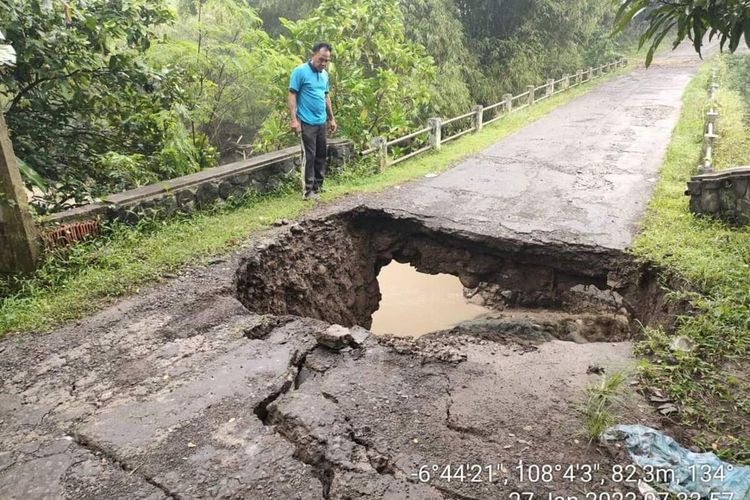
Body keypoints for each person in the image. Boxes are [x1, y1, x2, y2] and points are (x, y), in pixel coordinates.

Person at [288, 42, 338, 200]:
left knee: (321, 154)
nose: (323, 63)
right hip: (306, 121)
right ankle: (307, 191)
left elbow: (325, 96)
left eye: (326, 61)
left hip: (320, 121)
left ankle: (318, 186)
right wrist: (294, 120)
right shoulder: (300, 71)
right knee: (309, 156)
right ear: (313, 55)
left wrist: (331, 118)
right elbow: (292, 95)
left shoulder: (324, 75)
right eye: (321, 59)